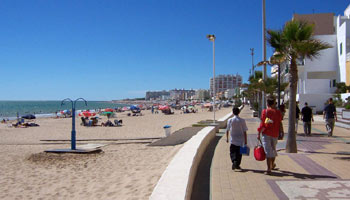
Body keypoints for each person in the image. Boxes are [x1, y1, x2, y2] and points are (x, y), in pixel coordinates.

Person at [257, 97, 283, 174]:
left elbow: (262, 123)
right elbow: (280, 122)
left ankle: (269, 168)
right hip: (275, 133)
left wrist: (259, 133)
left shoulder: (265, 111)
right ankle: (272, 165)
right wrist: (282, 131)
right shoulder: (278, 112)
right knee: (273, 149)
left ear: (267, 103)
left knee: (268, 151)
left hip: (266, 133)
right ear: (273, 103)